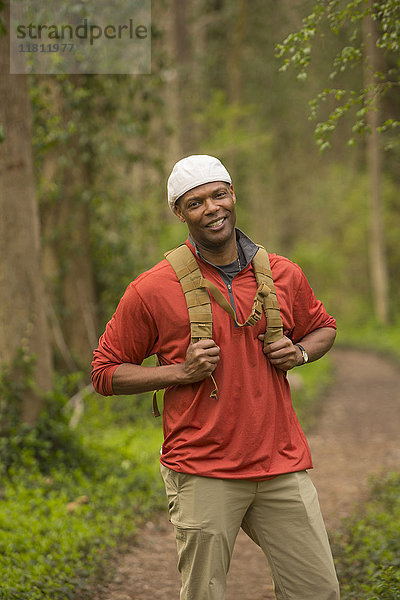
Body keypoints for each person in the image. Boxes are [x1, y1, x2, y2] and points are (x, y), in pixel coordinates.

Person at [91, 155, 340, 600]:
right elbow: (105, 371)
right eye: (196, 202)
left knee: (317, 590)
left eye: (218, 195)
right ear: (179, 213)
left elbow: (324, 326)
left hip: (280, 464)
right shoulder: (152, 287)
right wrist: (179, 372)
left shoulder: (283, 273)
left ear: (233, 196)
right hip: (203, 469)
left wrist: (300, 351)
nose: (211, 208)